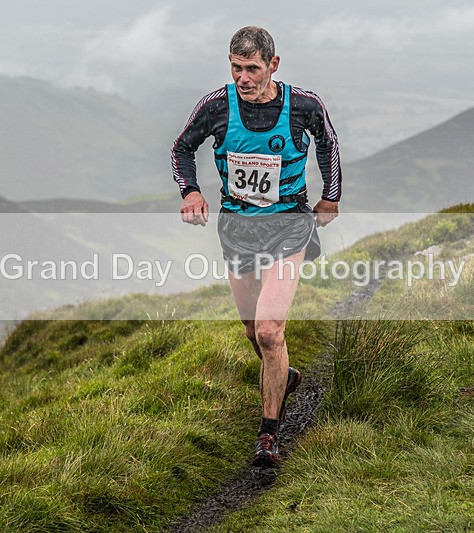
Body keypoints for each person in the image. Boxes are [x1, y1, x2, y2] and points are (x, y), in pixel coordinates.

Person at [171, 26, 342, 468]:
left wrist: (331, 196)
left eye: (251, 68)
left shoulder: (303, 105)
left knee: (268, 331)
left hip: (289, 226)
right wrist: (191, 191)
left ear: (273, 65)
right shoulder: (216, 106)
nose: (243, 78)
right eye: (235, 68)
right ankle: (284, 375)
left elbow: (328, 143)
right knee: (252, 332)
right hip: (237, 230)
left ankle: (268, 435)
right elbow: (181, 148)